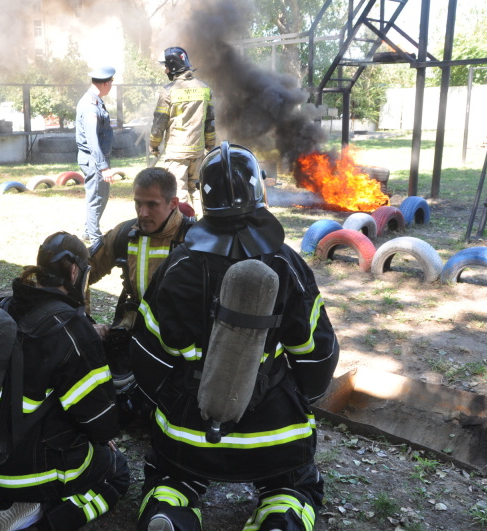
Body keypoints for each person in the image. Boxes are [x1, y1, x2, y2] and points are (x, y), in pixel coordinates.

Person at [131, 142, 340, 531]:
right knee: (294, 486)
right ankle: (281, 516)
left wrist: (173, 402)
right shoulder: (286, 262)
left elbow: (147, 355)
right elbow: (317, 355)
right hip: (274, 435)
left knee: (170, 479)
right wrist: (295, 399)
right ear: (258, 191)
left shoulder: (180, 265)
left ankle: (169, 510)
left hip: (189, 433)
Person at [0, 232, 129, 531]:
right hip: (34, 468)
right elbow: (100, 422)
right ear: (75, 272)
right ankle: (42, 517)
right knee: (117, 472)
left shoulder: (1, 307)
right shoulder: (72, 329)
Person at [87, 167, 194, 417]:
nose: (143, 213)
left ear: (173, 203)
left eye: (152, 205)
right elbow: (79, 273)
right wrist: (85, 322)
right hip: (131, 336)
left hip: (177, 345)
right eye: (138, 204)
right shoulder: (125, 235)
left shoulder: (195, 240)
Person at [149, 47, 216, 211]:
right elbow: (210, 122)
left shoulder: (168, 91)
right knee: (197, 191)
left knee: (179, 195)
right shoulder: (204, 89)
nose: (165, 70)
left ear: (173, 66)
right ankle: (201, 228)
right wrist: (210, 144)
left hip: (177, 154)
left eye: (166, 66)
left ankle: (185, 232)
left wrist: (154, 144)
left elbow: (159, 123)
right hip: (198, 152)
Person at [76, 66, 117, 247]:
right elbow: (92, 140)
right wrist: (103, 166)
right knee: (95, 199)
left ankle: (87, 231)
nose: (111, 86)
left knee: (103, 196)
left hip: (98, 159)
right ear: (106, 83)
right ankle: (95, 239)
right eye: (111, 83)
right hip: (94, 160)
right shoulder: (90, 106)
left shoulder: (96, 100)